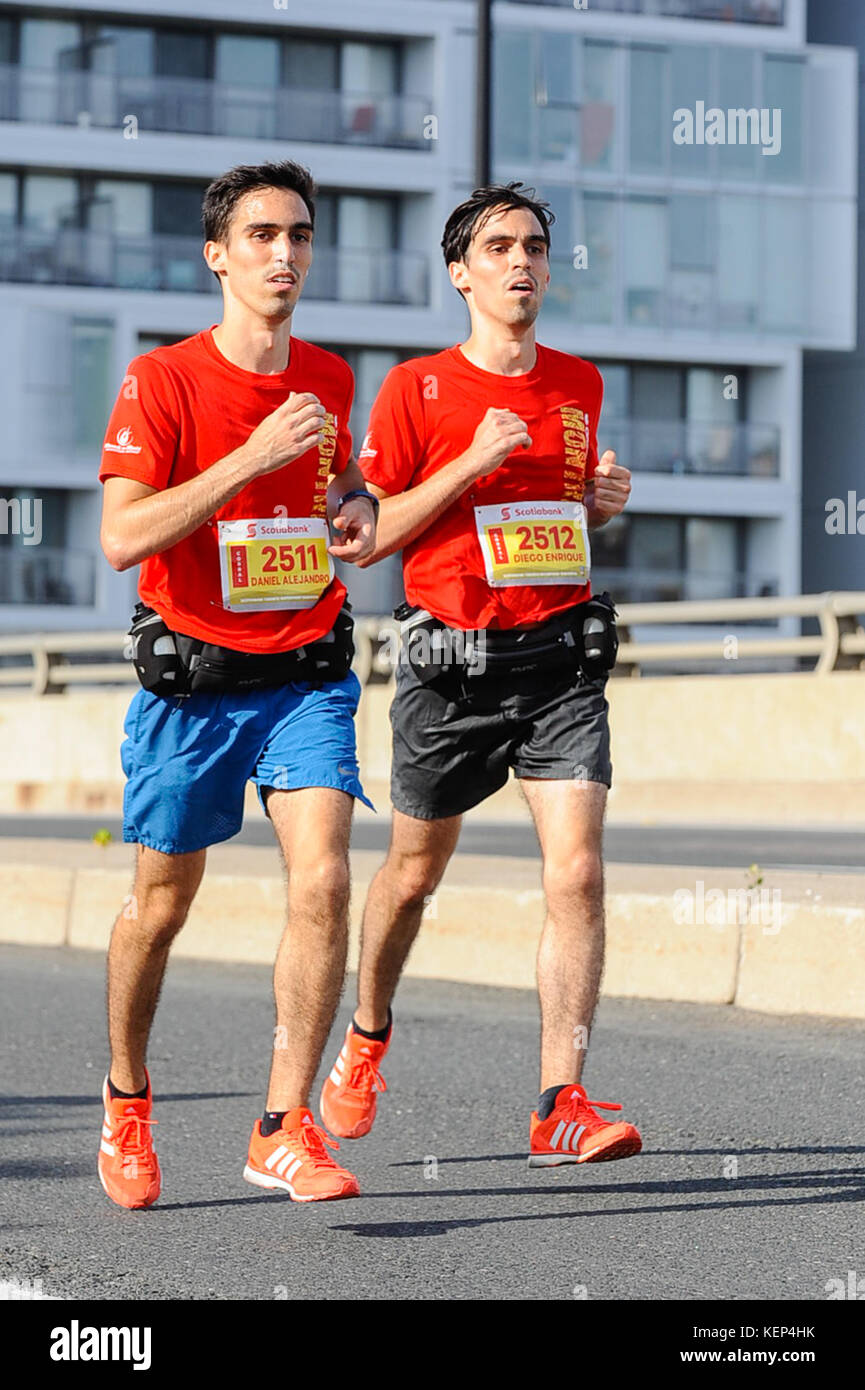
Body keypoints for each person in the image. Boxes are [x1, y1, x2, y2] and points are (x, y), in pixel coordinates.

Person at [320, 182, 642, 1167]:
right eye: (498, 246)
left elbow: (558, 527)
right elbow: (365, 539)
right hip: (448, 667)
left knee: (578, 873)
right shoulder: (415, 388)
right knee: (412, 877)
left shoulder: (579, 383)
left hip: (556, 660)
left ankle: (561, 1097)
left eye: (535, 247)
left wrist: (602, 507)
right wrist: (462, 466)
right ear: (461, 272)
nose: (520, 262)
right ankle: (367, 1034)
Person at [97, 161, 380, 1207]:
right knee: (159, 907)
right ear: (218, 254)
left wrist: (355, 507)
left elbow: (337, 488)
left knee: (323, 878)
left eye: (299, 235)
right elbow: (122, 536)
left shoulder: (333, 378)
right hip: (193, 684)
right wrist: (244, 455)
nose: (284, 254)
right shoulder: (160, 379)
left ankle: (281, 1123)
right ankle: (127, 1096)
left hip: (305, 674)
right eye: (261, 235)